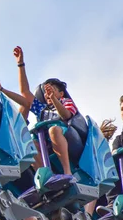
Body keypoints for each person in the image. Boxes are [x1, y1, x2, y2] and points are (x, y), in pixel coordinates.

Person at [10, 46, 80, 175]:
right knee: (29, 142)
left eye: (51, 90)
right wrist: (20, 64)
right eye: (46, 92)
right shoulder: (42, 110)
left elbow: (65, 115)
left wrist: (54, 99)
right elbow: (25, 92)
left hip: (66, 135)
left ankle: (67, 172)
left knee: (53, 130)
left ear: (61, 93)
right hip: (45, 141)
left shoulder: (66, 102)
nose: (48, 94)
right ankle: (46, 176)